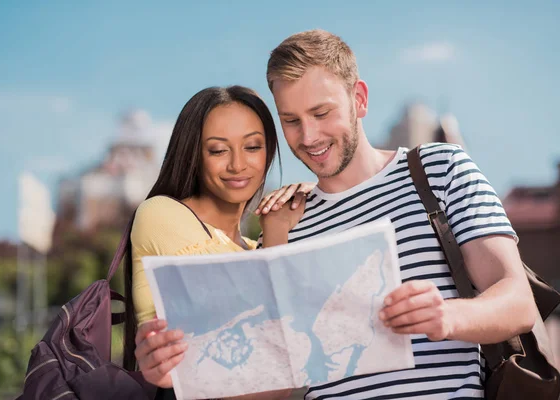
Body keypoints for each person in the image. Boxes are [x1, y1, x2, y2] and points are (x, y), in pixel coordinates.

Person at [253, 29, 538, 399]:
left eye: (321, 113)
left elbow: (518, 302)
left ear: (359, 99)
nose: (308, 136)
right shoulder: (282, 228)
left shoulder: (440, 170)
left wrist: (448, 317)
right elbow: (273, 386)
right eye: (291, 120)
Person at [124, 85, 300, 400]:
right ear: (194, 154)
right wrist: (275, 230)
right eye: (218, 150)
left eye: (253, 147)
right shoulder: (163, 214)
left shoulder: (251, 248)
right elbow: (264, 357)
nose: (237, 165)